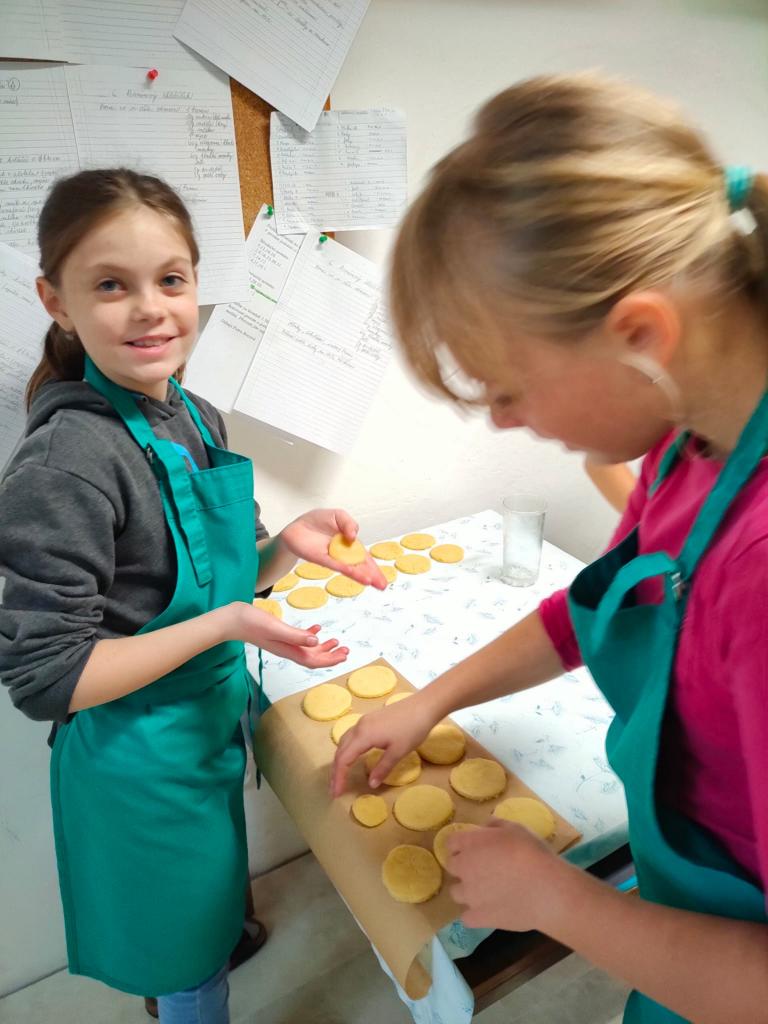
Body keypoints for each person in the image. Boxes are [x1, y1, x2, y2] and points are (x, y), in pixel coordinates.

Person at [332, 74, 768, 1024]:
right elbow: (597, 607)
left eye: (506, 388)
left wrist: (563, 903)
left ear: (640, 334)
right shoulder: (691, 446)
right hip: (686, 931)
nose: (500, 421)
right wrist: (430, 700)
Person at [0, 168, 385, 1024]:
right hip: (138, 763)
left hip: (206, 730)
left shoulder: (195, 413)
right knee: (183, 968)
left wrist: (286, 546)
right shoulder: (66, 463)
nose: (150, 309)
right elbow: (48, 677)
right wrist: (226, 623)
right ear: (56, 301)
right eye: (111, 285)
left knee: (207, 919)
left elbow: (221, 576)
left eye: (171, 279)